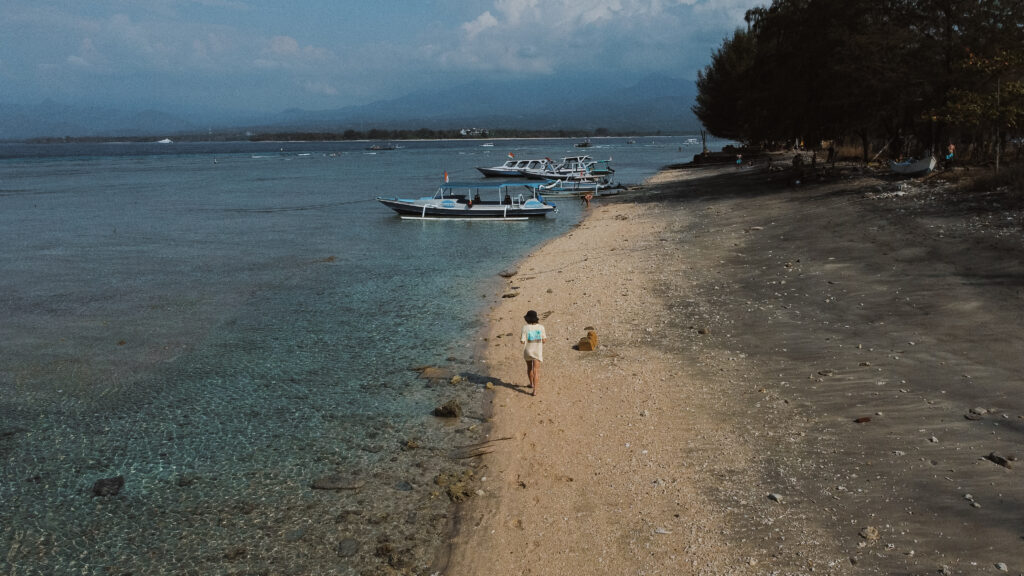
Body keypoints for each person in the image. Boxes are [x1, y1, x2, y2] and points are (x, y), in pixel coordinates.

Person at [521, 310, 546, 396]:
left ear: (527, 319)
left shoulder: (525, 328)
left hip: (528, 351)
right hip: (537, 351)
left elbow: (522, 341)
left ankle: (531, 383)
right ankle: (535, 390)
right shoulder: (541, 327)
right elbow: (544, 340)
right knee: (536, 370)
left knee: (529, 368)